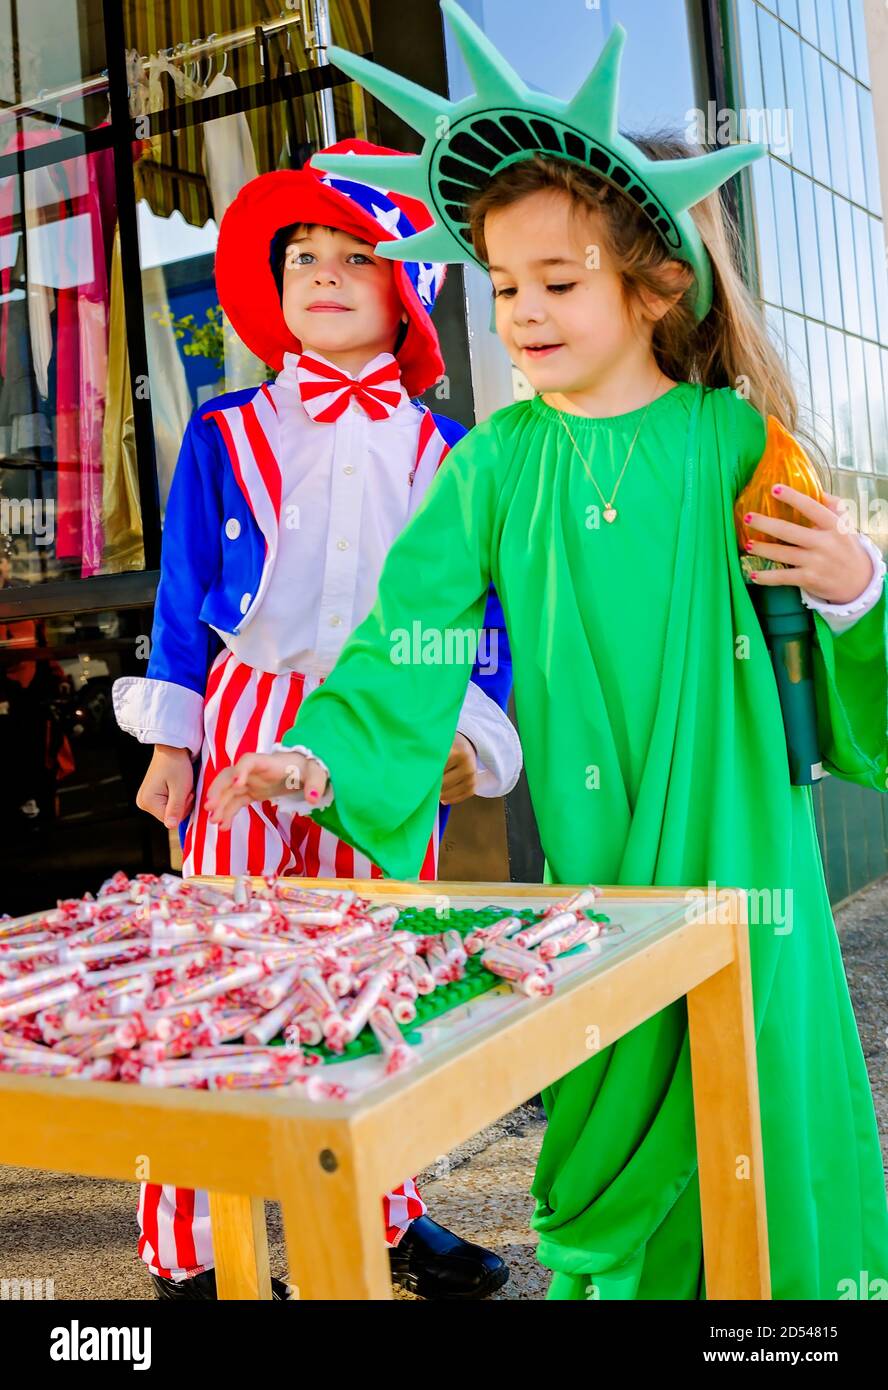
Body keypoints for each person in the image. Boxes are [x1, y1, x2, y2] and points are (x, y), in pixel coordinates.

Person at [205, 12, 888, 1300]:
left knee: (764, 1116)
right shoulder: (492, 465)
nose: (522, 314)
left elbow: (841, 652)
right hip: (594, 878)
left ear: (656, 286)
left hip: (748, 854)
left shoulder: (735, 443)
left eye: (558, 283)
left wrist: (859, 590)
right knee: (606, 1143)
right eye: (504, 286)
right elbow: (412, 637)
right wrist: (314, 752)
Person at [112, 139, 521, 1301]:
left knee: (375, 970)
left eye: (358, 252)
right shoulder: (224, 431)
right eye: (303, 252)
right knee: (221, 971)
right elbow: (184, 597)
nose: (324, 270)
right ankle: (192, 1242)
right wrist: (171, 741)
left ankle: (387, 1207)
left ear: (410, 291)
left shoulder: (455, 456)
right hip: (246, 716)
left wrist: (472, 734)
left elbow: (481, 614)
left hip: (387, 726)